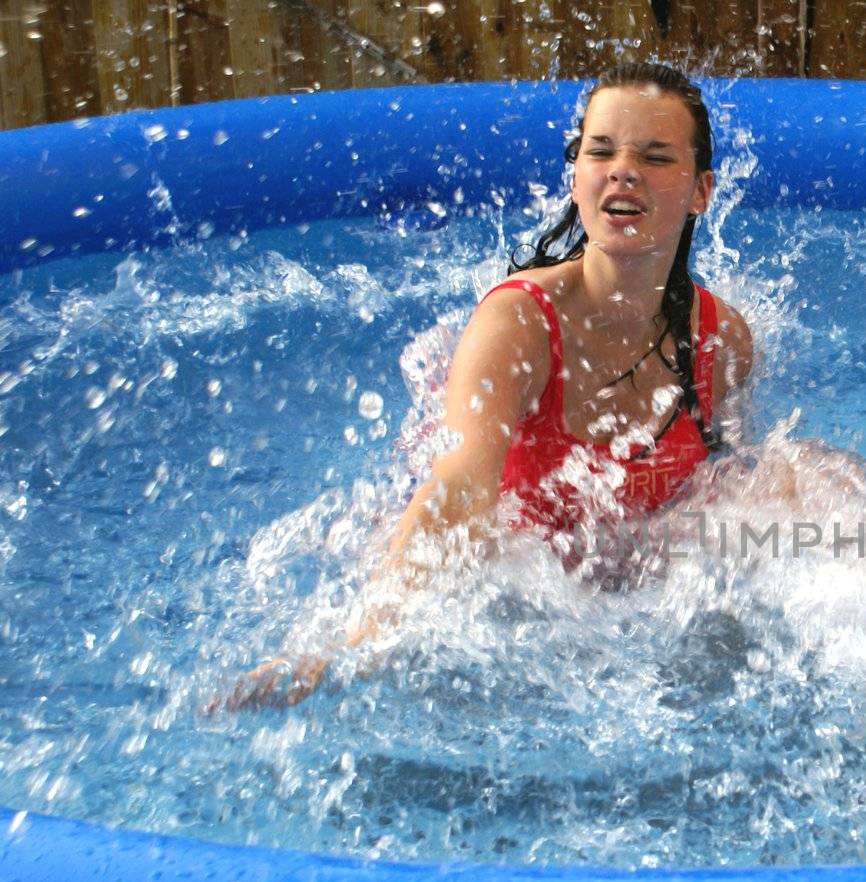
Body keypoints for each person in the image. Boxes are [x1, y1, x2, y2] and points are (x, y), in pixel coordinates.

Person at [228, 62, 754, 707]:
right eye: (601, 150)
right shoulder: (518, 324)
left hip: (622, 608)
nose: (622, 169)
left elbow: (725, 489)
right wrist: (351, 644)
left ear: (701, 191)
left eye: (655, 155)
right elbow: (458, 489)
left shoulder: (720, 338)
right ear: (576, 176)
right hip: (500, 587)